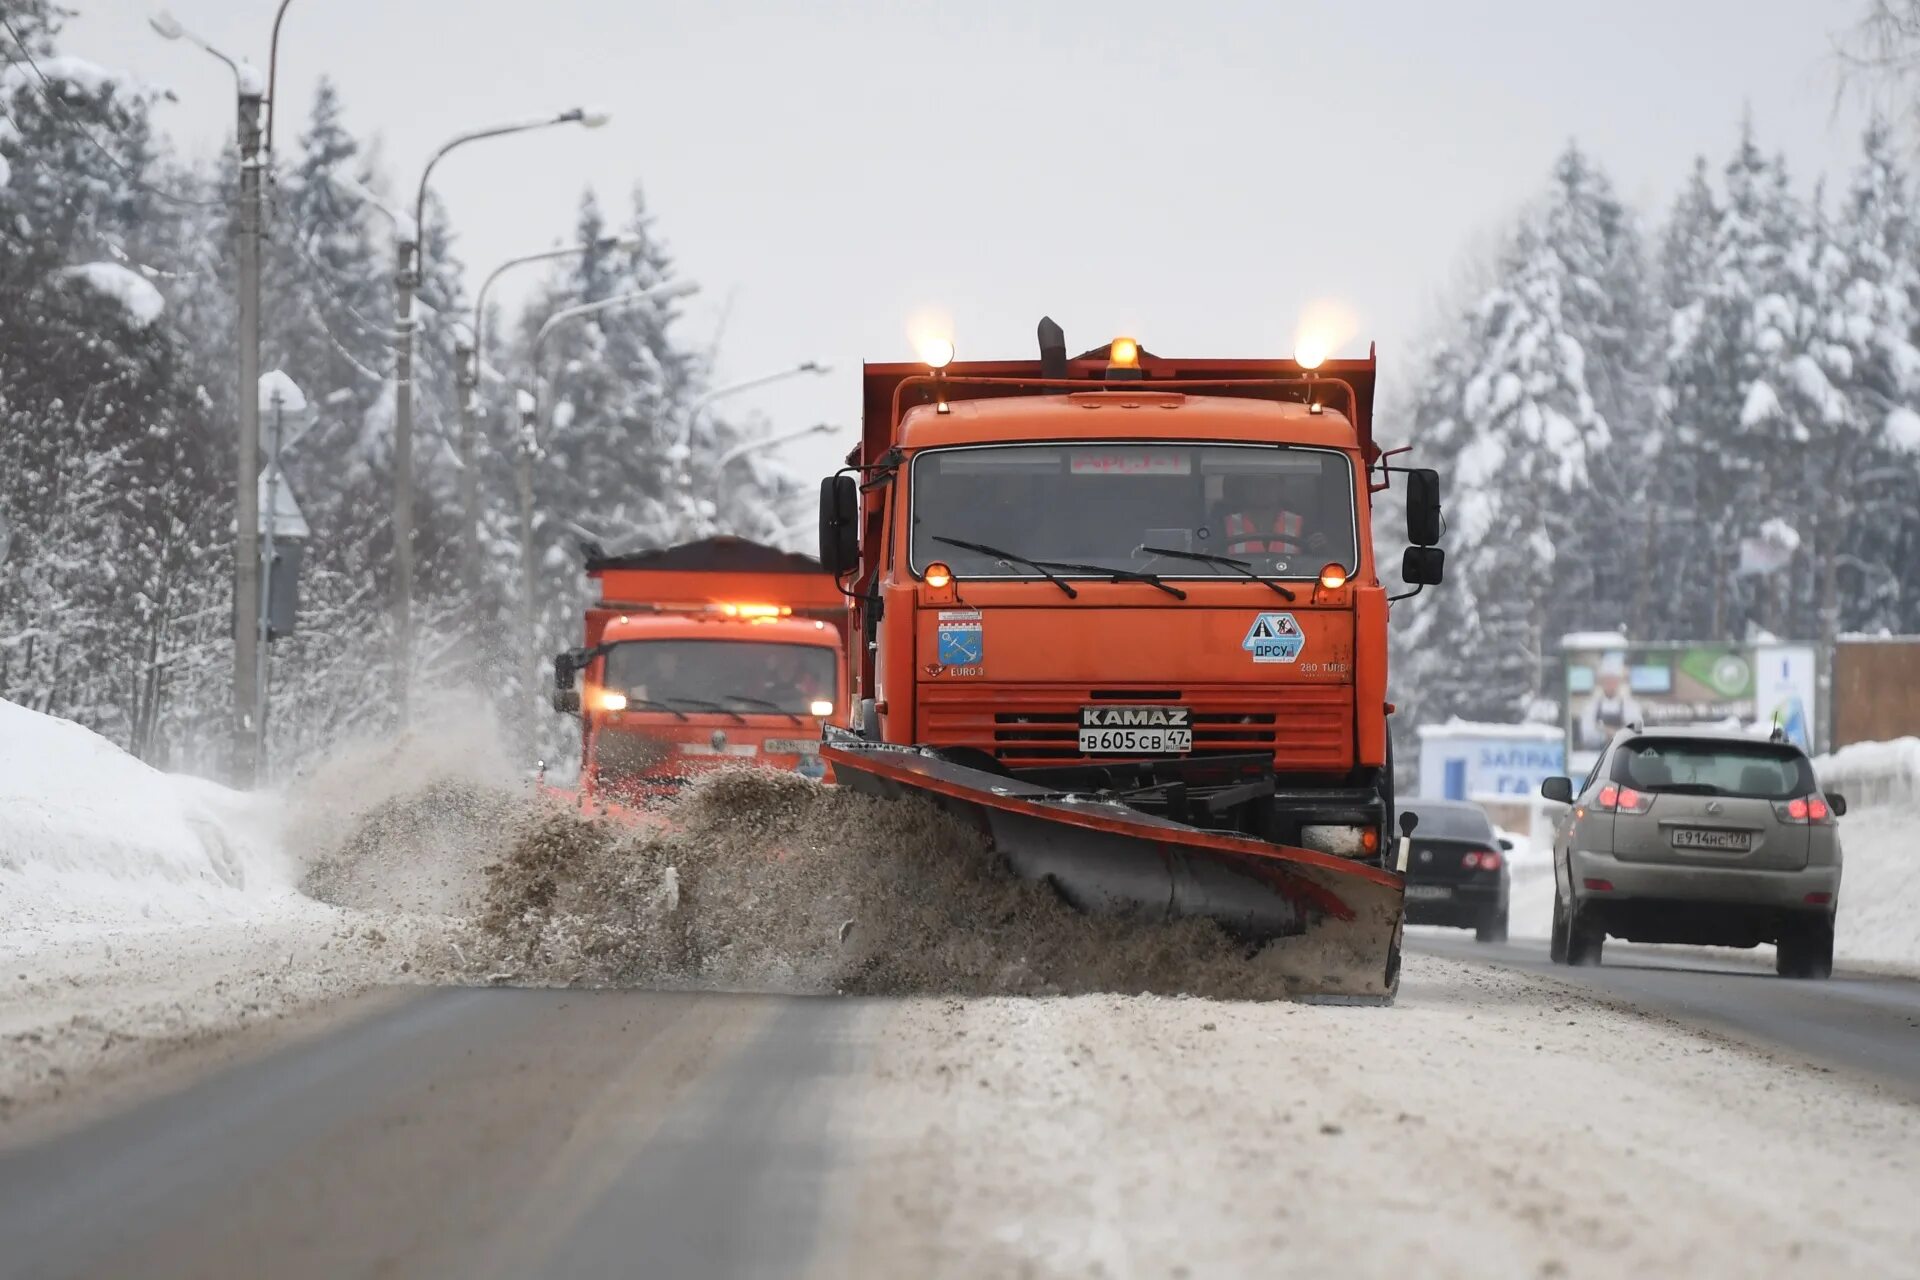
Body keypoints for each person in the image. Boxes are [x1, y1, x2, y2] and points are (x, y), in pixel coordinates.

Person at [1220, 474, 1328, 558]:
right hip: (1238, 584)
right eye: (1255, 483)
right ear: (1244, 488)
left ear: (1281, 488)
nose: (1262, 489)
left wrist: (1321, 549)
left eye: (1270, 482)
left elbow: (1317, 563)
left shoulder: (1303, 525)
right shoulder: (1222, 526)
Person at [1577, 651, 1642, 749]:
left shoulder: (1631, 706)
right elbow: (1586, 737)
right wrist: (1604, 736)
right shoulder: (1590, 706)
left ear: (1619, 681)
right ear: (1601, 682)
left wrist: (1613, 734)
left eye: (1614, 680)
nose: (1611, 684)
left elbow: (1637, 733)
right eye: (1607, 680)